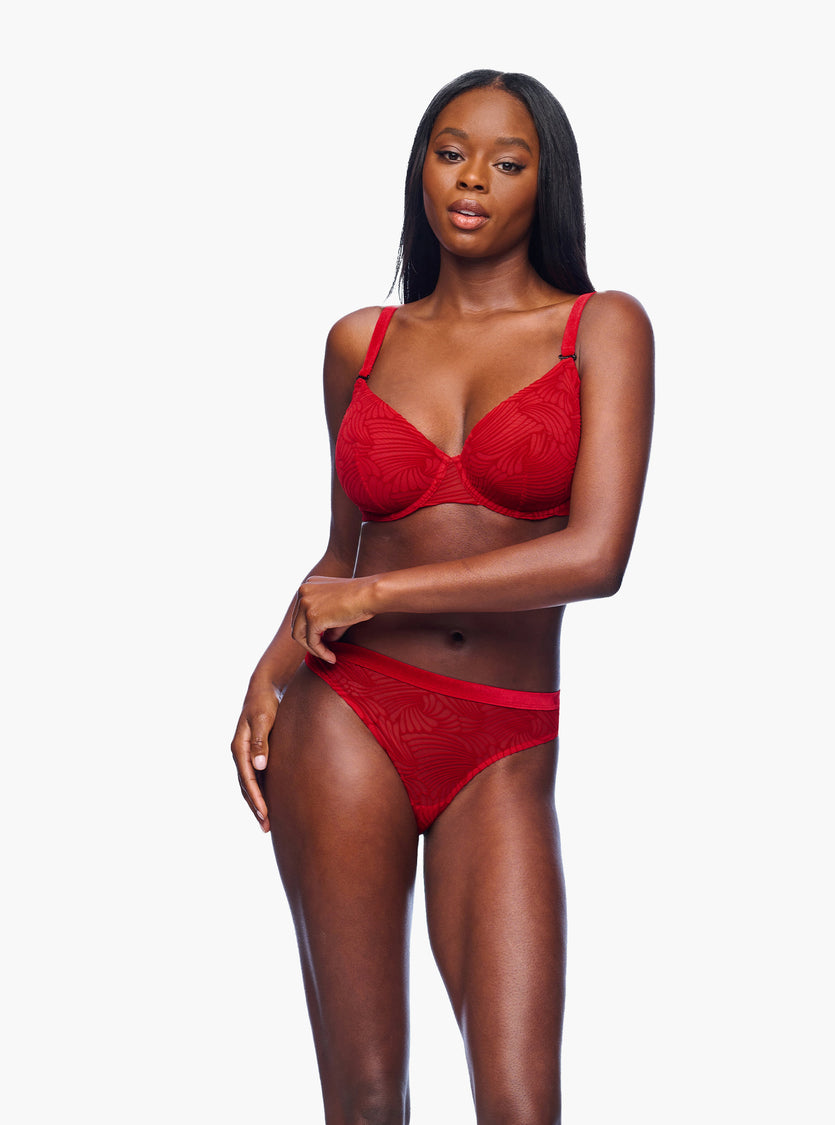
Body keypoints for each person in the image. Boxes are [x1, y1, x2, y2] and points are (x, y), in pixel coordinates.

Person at [231, 68, 654, 1125]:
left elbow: (596, 557)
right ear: (421, 167)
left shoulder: (600, 329)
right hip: (347, 719)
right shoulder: (361, 344)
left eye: (507, 162)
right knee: (367, 1098)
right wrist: (266, 676)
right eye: (451, 152)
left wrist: (379, 596)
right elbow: (341, 554)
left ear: (546, 185)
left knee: (520, 1102)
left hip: (503, 742)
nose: (472, 180)